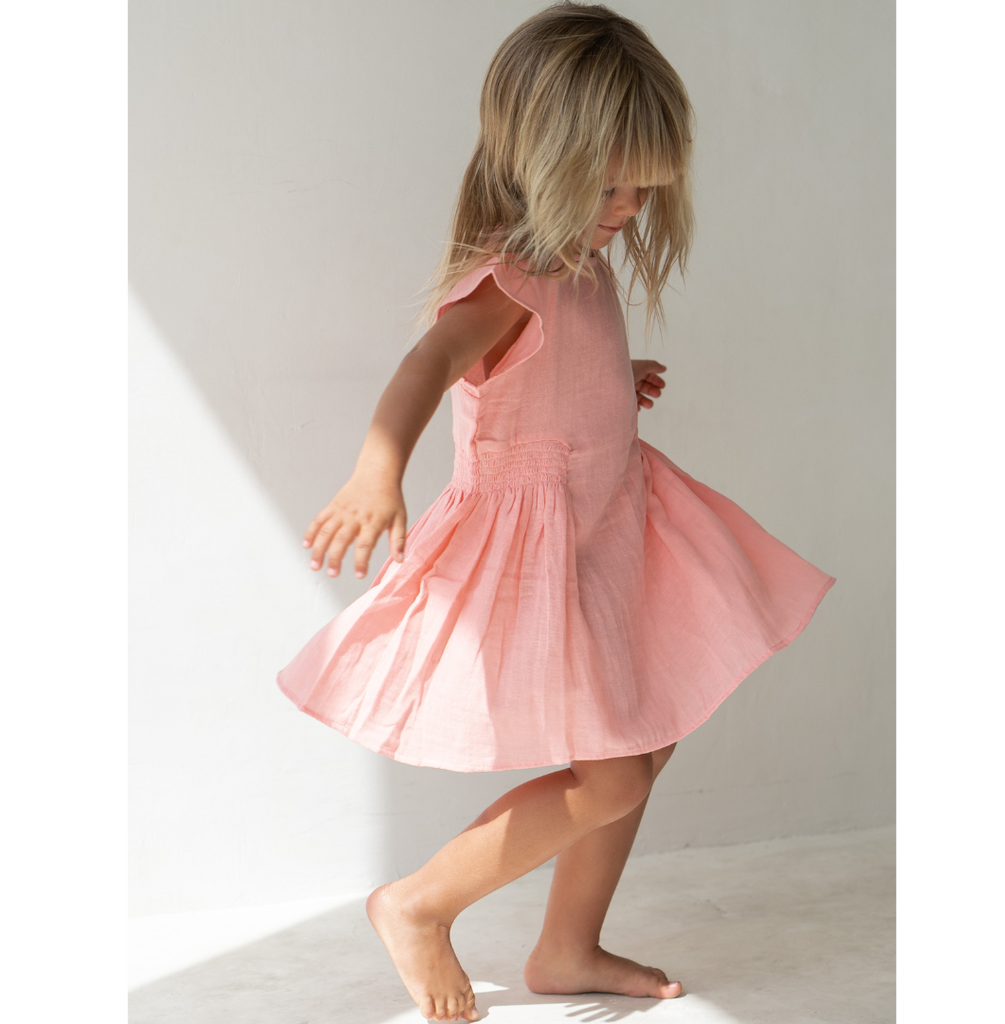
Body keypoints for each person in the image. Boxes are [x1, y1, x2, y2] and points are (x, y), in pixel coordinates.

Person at [277, 4, 836, 1020]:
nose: (628, 206)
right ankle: (418, 903)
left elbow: (551, 370)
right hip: (539, 546)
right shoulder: (508, 280)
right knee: (613, 777)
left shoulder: (580, 259)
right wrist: (375, 471)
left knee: (650, 736)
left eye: (643, 185)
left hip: (607, 522)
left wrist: (616, 380)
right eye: (610, 185)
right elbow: (427, 365)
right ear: (541, 159)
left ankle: (567, 946)